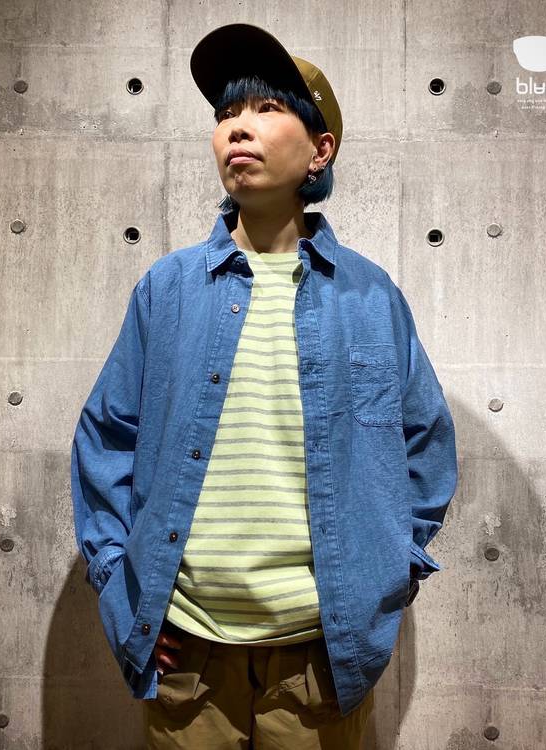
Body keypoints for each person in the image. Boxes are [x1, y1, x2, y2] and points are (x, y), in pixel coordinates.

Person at [70, 22, 458, 750]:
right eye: (225, 114)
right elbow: (107, 439)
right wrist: (121, 587)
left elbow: (424, 444)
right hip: (187, 652)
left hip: (320, 656)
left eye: (266, 109)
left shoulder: (370, 297)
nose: (237, 128)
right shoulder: (168, 290)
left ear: (320, 151)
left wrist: (388, 574)